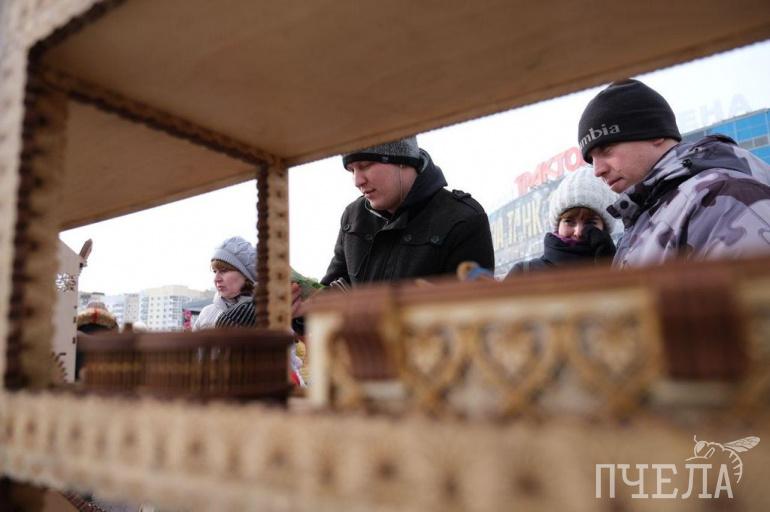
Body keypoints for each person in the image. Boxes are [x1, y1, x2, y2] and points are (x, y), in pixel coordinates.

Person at [578, 78, 770, 268]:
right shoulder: (649, 213)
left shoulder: (724, 197)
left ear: (653, 132)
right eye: (591, 160)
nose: (597, 170)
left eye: (606, 149)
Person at [319, 136, 495, 289]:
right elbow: (331, 291)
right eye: (352, 170)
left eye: (365, 165)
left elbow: (473, 310)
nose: (357, 181)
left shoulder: (463, 219)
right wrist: (308, 302)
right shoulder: (353, 216)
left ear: (402, 159)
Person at [506, 166, 619, 275]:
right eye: (569, 221)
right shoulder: (523, 273)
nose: (578, 232)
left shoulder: (621, 267)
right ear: (558, 224)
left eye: (590, 223)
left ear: (604, 227)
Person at [193, 236, 256, 330]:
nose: (216, 279)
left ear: (246, 274)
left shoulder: (267, 315)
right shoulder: (206, 314)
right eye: (215, 271)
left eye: (224, 270)